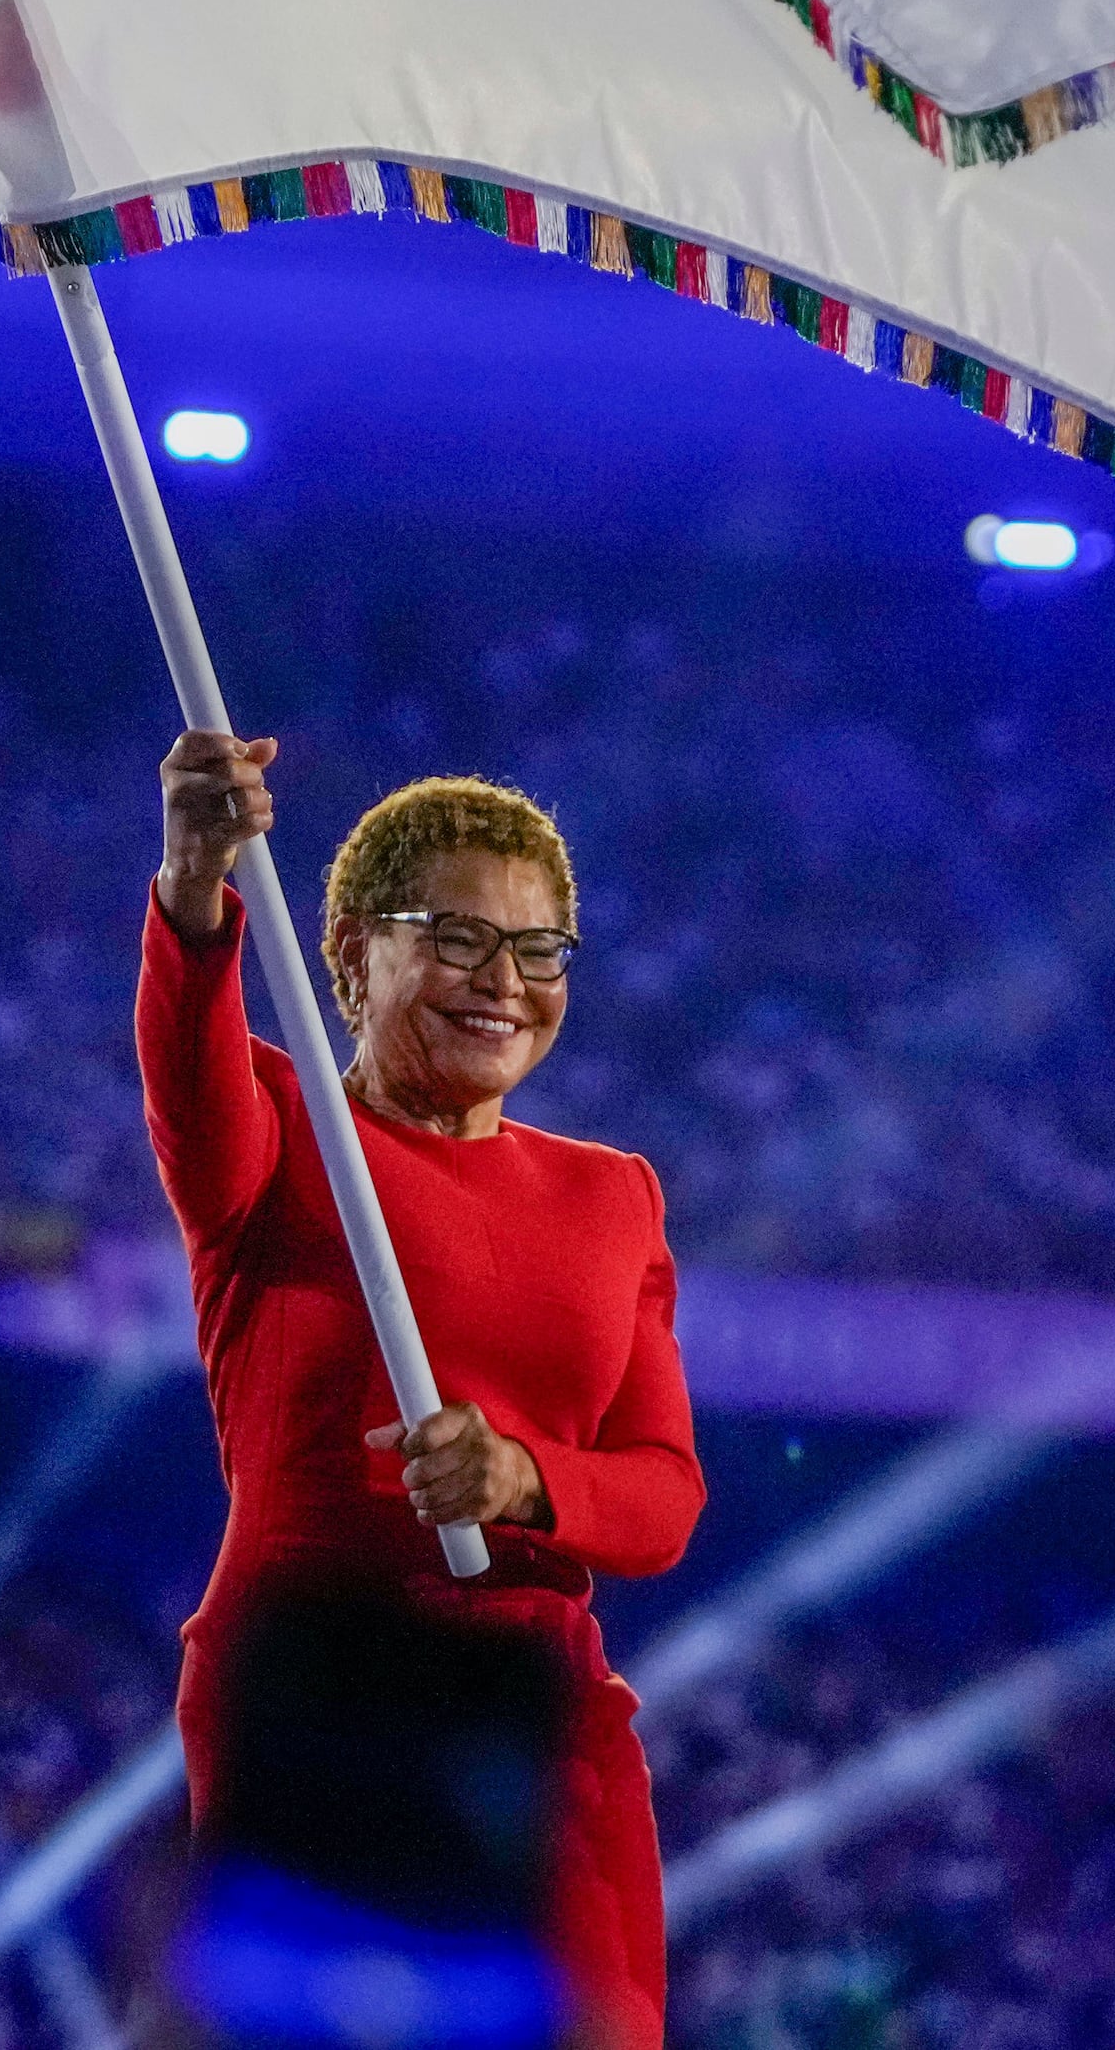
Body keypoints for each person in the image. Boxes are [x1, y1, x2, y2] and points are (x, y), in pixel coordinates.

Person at [144, 729, 703, 2050]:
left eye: (538, 948)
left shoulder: (612, 1193)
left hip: (537, 1718)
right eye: (453, 938)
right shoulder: (279, 1133)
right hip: (317, 1699)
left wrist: (524, 1477)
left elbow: (663, 1495)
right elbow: (189, 1068)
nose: (502, 981)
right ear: (347, 950)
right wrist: (194, 879)